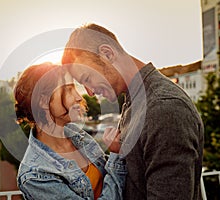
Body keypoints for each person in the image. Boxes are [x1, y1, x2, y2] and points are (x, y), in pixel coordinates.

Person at [61, 23, 204, 199]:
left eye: (87, 78)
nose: (89, 92)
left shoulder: (163, 108)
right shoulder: (135, 101)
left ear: (107, 54)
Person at [14, 62, 126, 200]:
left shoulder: (77, 135)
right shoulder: (35, 175)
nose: (79, 97)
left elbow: (103, 175)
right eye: (68, 89)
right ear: (43, 101)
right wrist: (116, 157)